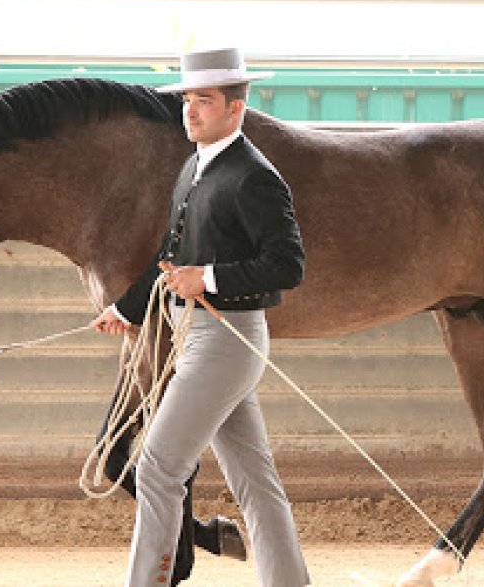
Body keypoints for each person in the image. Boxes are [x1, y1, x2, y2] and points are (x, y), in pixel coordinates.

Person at [92, 47, 310, 587]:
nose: (190, 111)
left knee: (158, 468)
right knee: (255, 480)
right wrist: (128, 306)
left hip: (227, 342)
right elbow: (170, 252)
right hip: (200, 342)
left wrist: (207, 278)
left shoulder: (255, 177)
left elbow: (288, 264)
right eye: (188, 100)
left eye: (203, 101)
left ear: (235, 109)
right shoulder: (194, 165)